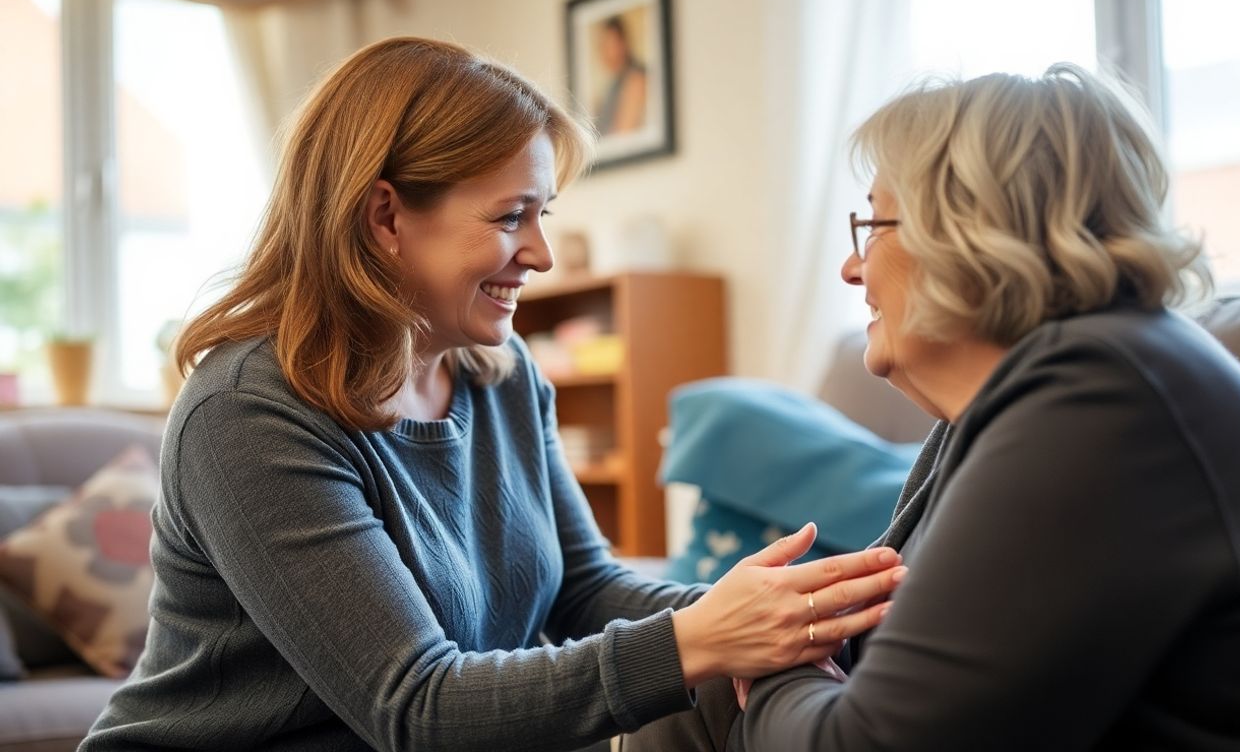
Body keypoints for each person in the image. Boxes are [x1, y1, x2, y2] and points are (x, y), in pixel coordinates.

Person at [78, 37, 904, 752]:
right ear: (384, 218)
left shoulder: (500, 378)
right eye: (512, 217)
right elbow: (415, 707)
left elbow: (583, 590)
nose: (541, 255)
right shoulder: (249, 411)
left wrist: (797, 609)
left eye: (543, 214)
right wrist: (699, 639)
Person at [632, 64, 1240, 750]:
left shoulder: (1103, 398)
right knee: (692, 698)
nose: (852, 267)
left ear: (964, 231)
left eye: (873, 226)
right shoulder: (1032, 395)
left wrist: (774, 662)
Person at [593, 15, 647, 135]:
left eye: (608, 44)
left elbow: (623, 134)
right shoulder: (611, 87)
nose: (603, 52)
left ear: (623, 43)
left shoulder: (636, 78)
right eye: (601, 45)